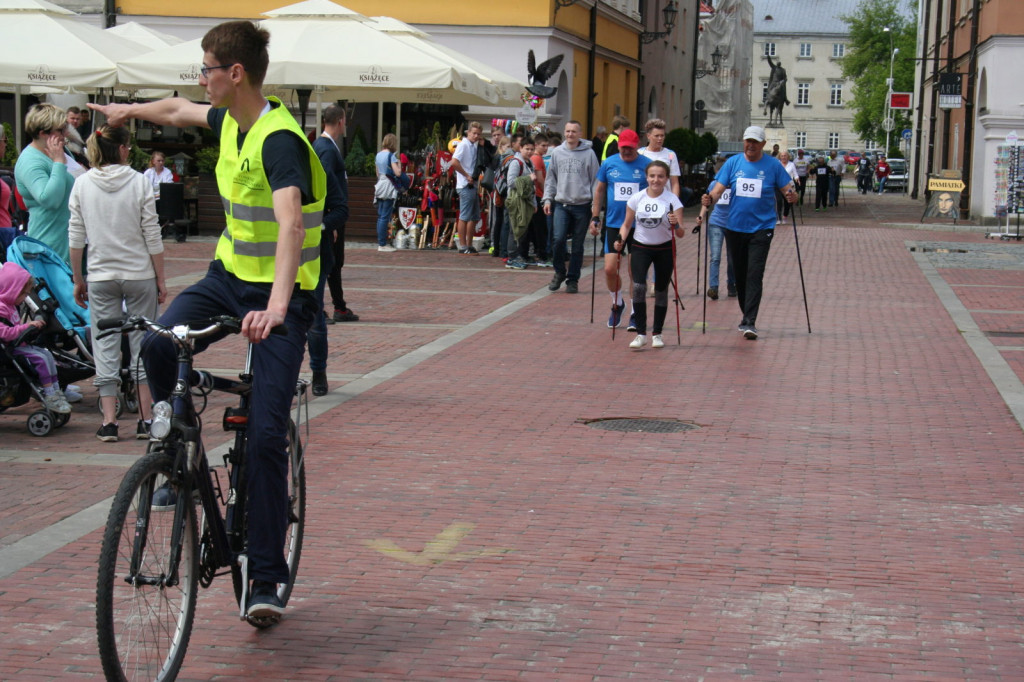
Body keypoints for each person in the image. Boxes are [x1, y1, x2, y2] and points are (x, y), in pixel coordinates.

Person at [89, 19, 326, 620]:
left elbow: (292, 227)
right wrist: (125, 110)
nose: (201, 79)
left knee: (268, 434)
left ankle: (266, 579)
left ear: (234, 73)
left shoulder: (279, 139)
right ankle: (177, 442)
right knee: (160, 342)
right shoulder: (229, 121)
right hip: (226, 278)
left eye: (206, 69)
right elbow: (176, 110)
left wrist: (274, 309)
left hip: (283, 296)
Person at [68, 125, 165, 442]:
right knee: (142, 344)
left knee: (105, 343)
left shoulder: (82, 184)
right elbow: (152, 234)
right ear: (123, 149)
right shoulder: (139, 182)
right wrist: (161, 278)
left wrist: (78, 278)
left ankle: (109, 420)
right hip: (139, 274)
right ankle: (145, 419)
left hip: (100, 275)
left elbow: (76, 237)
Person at [701, 126, 797, 340]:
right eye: (748, 141)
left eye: (755, 141)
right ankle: (747, 313)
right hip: (734, 227)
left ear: (763, 144)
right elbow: (717, 190)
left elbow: (787, 189)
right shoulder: (733, 163)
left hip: (762, 228)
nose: (751, 145)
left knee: (755, 273)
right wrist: (709, 199)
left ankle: (750, 321)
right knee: (740, 274)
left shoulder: (772, 165)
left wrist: (793, 197)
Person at [612, 160, 685, 350]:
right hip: (641, 247)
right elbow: (627, 224)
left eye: (660, 176)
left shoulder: (672, 200)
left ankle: (657, 334)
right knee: (638, 286)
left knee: (661, 291)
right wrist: (620, 239)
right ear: (647, 177)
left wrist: (675, 223)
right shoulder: (637, 198)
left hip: (664, 248)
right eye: (652, 176)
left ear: (666, 178)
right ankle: (641, 333)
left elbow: (681, 232)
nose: (656, 180)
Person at [308, 104, 351, 395]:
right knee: (309, 315)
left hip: (317, 243)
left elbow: (337, 203)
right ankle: (316, 373)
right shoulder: (323, 149)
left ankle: (319, 372)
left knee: (313, 314)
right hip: (306, 246)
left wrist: (324, 225)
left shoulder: (322, 148)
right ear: (341, 120)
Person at [590, 129, 648, 327]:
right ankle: (617, 303)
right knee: (609, 268)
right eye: (623, 148)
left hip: (639, 225)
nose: (626, 152)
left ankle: (634, 311)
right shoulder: (609, 163)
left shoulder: (646, 165)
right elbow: (599, 191)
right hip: (614, 223)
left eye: (630, 148)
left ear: (637, 146)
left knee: (635, 272)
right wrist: (595, 217)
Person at [0, 263, 72, 414]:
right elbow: (5, 333)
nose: (25, 297)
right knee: (41, 358)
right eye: (23, 294)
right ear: (11, 290)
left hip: (18, 345)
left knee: (47, 355)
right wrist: (26, 327)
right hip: (8, 349)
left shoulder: (11, 306)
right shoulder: (2, 308)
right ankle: (49, 394)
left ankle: (56, 390)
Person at [543, 120, 600, 294]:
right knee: (558, 240)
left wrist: (595, 206)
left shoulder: (589, 154)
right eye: (567, 131)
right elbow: (551, 178)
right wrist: (547, 199)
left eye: (573, 132)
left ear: (580, 134)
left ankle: (573, 279)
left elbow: (595, 181)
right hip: (561, 203)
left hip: (582, 205)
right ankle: (559, 272)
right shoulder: (557, 153)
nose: (570, 135)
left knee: (577, 246)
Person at [14, 103, 74, 262]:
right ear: (43, 133)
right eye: (60, 130)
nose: (65, 134)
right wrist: (59, 163)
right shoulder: (30, 161)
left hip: (64, 242)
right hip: (48, 245)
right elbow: (49, 200)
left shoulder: (56, 152)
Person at [696, 179, 736, 300]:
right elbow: (707, 202)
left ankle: (732, 284)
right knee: (715, 257)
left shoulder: (736, 184)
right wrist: (701, 215)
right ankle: (713, 287)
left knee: (732, 258)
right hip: (716, 223)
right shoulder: (715, 184)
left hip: (734, 224)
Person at [504, 136, 536, 269]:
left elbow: (533, 185)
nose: (529, 151)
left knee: (523, 229)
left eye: (532, 149)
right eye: (527, 149)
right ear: (520, 148)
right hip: (516, 201)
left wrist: (534, 203)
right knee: (515, 229)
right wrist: (527, 178)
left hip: (526, 201)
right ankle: (512, 257)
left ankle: (521, 255)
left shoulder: (529, 163)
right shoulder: (516, 162)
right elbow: (511, 182)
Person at [450, 122, 482, 254]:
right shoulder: (463, 144)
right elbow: (454, 162)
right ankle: (463, 245)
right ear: (468, 132)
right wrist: (466, 175)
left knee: (474, 216)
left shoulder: (474, 146)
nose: (476, 136)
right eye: (474, 133)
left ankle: (469, 244)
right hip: (465, 184)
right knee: (464, 215)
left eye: (478, 134)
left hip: (472, 184)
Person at [637, 119, 681, 197]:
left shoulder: (670, 154)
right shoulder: (640, 153)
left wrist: (674, 203)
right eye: (656, 136)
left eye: (662, 135)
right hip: (644, 199)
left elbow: (674, 182)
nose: (660, 138)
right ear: (648, 136)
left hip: (665, 200)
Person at [373, 133, 401, 252]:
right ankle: (383, 244)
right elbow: (398, 173)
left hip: (380, 185)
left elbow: (377, 173)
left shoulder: (378, 155)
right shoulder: (391, 156)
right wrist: (399, 164)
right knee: (385, 216)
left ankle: (381, 242)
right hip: (388, 186)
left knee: (380, 216)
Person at [776, 151, 798, 223]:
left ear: (788, 157)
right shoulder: (777, 164)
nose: (783, 157)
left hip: (789, 185)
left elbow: (795, 174)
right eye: (782, 156)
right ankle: (778, 218)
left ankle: (785, 216)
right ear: (780, 157)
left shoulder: (791, 164)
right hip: (778, 185)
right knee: (778, 201)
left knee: (787, 201)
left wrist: (797, 178)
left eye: (785, 155)